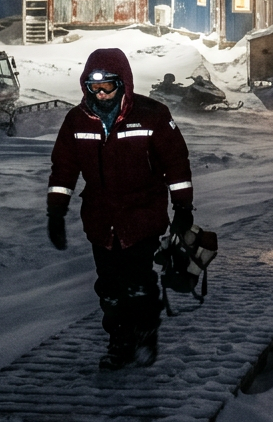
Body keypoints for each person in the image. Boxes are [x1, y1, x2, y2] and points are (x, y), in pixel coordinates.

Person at [46, 47, 194, 370]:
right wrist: (56, 212)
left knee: (137, 282)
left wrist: (183, 209)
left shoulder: (152, 115)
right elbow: (63, 171)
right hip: (101, 220)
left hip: (142, 215)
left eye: (107, 87)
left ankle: (144, 335)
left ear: (123, 83)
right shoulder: (76, 122)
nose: (100, 94)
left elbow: (176, 165)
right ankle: (119, 341)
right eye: (94, 88)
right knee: (110, 287)